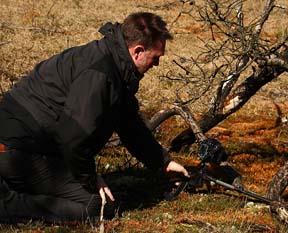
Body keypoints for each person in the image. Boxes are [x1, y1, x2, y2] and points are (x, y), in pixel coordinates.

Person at [0, 12, 189, 222]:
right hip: (16, 151)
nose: (157, 65)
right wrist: (89, 179)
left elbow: (129, 124)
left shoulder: (115, 64)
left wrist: (163, 162)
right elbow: (73, 137)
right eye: (156, 57)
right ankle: (7, 204)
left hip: (29, 144)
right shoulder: (101, 74)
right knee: (98, 207)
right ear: (137, 51)